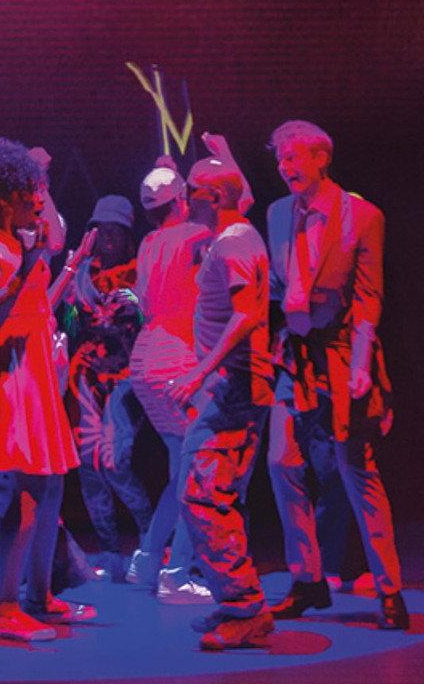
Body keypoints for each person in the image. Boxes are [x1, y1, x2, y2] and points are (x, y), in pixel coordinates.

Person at [262, 120, 407, 629]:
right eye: (280, 159)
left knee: (355, 467)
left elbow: (369, 297)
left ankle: (389, 589)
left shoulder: (362, 216)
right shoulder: (278, 213)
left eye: (294, 156)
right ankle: (307, 579)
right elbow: (279, 284)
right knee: (281, 460)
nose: (285, 167)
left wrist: (362, 364)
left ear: (322, 158)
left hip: (343, 352)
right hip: (295, 355)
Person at [0, 137, 93, 641]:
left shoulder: (20, 239)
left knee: (50, 483)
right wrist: (33, 259)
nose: (37, 199)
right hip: (9, 370)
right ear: (4, 195)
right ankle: (5, 606)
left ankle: (39, 595)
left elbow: (51, 249)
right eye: (28, 190)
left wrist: (57, 257)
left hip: (35, 364)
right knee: (30, 488)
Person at [167, 153, 275, 651]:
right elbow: (241, 195)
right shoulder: (235, 233)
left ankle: (246, 607)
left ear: (211, 197)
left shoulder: (232, 243)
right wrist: (226, 151)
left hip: (236, 385)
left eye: (191, 189)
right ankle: (238, 603)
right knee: (207, 493)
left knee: (203, 495)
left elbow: (246, 314)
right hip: (230, 385)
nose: (184, 197)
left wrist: (198, 373)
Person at [125, 161, 213, 602]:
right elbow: (236, 212)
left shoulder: (148, 243)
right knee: (195, 471)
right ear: (180, 200)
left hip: (144, 359)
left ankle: (146, 559)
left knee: (180, 467)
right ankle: (176, 574)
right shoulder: (197, 235)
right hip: (175, 357)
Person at [55, 196, 153, 579]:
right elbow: (69, 326)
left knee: (115, 461)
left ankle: (151, 538)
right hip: (86, 378)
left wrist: (132, 317)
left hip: (127, 376)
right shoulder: (81, 273)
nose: (108, 238)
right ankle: (110, 549)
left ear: (128, 235)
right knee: (88, 466)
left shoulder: (141, 272)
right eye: (102, 231)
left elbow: (152, 322)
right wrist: (70, 304)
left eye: (116, 231)